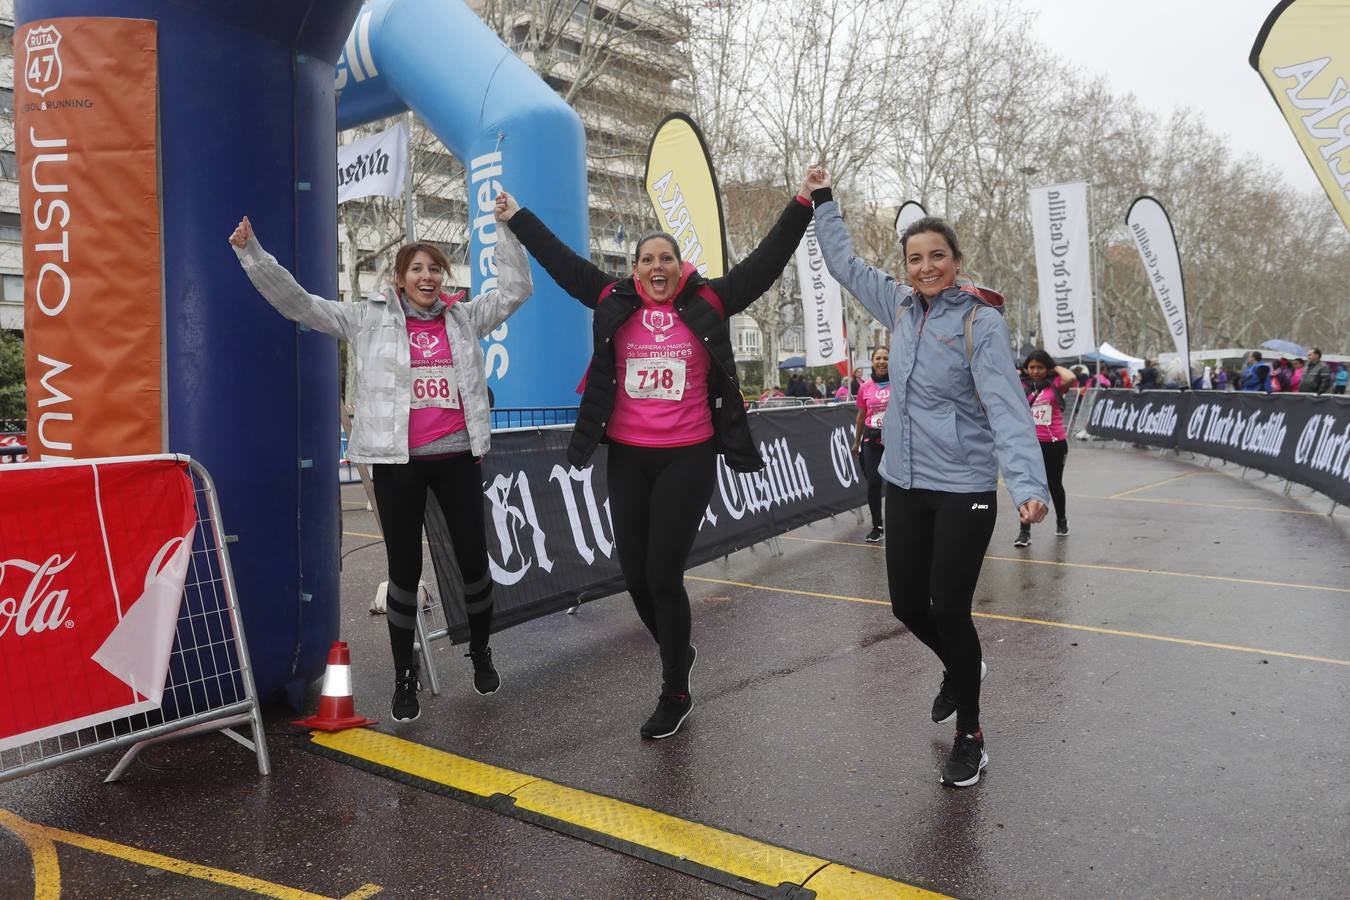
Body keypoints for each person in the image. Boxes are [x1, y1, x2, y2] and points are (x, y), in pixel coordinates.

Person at [498, 169, 817, 740]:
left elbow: (766, 264)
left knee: (662, 573)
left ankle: (674, 686)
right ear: (636, 269)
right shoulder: (612, 298)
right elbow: (561, 260)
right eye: (647, 259)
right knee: (636, 576)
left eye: (666, 258)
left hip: (687, 456)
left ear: (680, 266)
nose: (657, 267)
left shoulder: (710, 300)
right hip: (627, 455)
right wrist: (517, 215)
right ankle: (679, 650)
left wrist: (801, 202)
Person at [228, 194, 530, 723]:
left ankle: (481, 650)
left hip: (457, 456)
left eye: (436, 268)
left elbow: (515, 289)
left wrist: (507, 227)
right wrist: (253, 254)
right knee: (404, 571)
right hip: (397, 463)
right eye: (417, 268)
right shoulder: (365, 319)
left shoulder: (463, 318)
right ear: (399, 279)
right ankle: (403, 678)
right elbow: (300, 303)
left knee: (473, 562)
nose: (428, 276)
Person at [809, 167, 1049, 788]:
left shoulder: (980, 323)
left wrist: (1027, 485)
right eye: (914, 258)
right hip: (905, 483)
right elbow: (842, 262)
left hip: (964, 489)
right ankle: (960, 666)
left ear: (956, 261)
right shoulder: (898, 305)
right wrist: (824, 200)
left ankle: (970, 734)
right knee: (908, 605)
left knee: (952, 608)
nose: (924, 267)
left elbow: (1006, 408)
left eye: (936, 256)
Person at [1016, 350, 1076, 547]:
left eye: (1040, 367)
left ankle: (1061, 521)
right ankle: (1024, 531)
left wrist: (1054, 367)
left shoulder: (1056, 383)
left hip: (1054, 443)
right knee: (1026, 486)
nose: (1035, 371)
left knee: (1054, 483)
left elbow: (1071, 377)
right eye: (1031, 367)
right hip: (1028, 444)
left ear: (1047, 368)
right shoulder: (1022, 385)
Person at [851, 347, 891, 543]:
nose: (882, 361)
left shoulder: (899, 383)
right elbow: (860, 416)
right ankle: (877, 526)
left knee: (896, 484)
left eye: (886, 358)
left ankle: (897, 522)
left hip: (894, 441)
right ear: (872, 361)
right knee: (874, 481)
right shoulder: (865, 387)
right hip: (871, 439)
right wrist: (856, 442)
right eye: (878, 358)